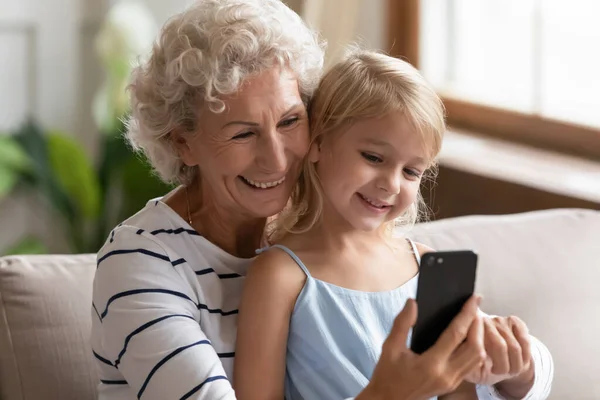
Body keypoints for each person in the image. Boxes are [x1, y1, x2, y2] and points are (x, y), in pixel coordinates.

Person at [90, 0, 552, 399]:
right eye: (243, 132)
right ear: (183, 144)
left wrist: (520, 363)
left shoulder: (327, 224)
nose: (276, 160)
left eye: (290, 121)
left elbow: (485, 353)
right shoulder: (142, 261)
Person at [233, 50, 554, 400]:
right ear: (318, 144)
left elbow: (458, 394)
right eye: (373, 157)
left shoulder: (428, 268)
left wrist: (506, 364)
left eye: (411, 171)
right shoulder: (280, 276)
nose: (391, 184)